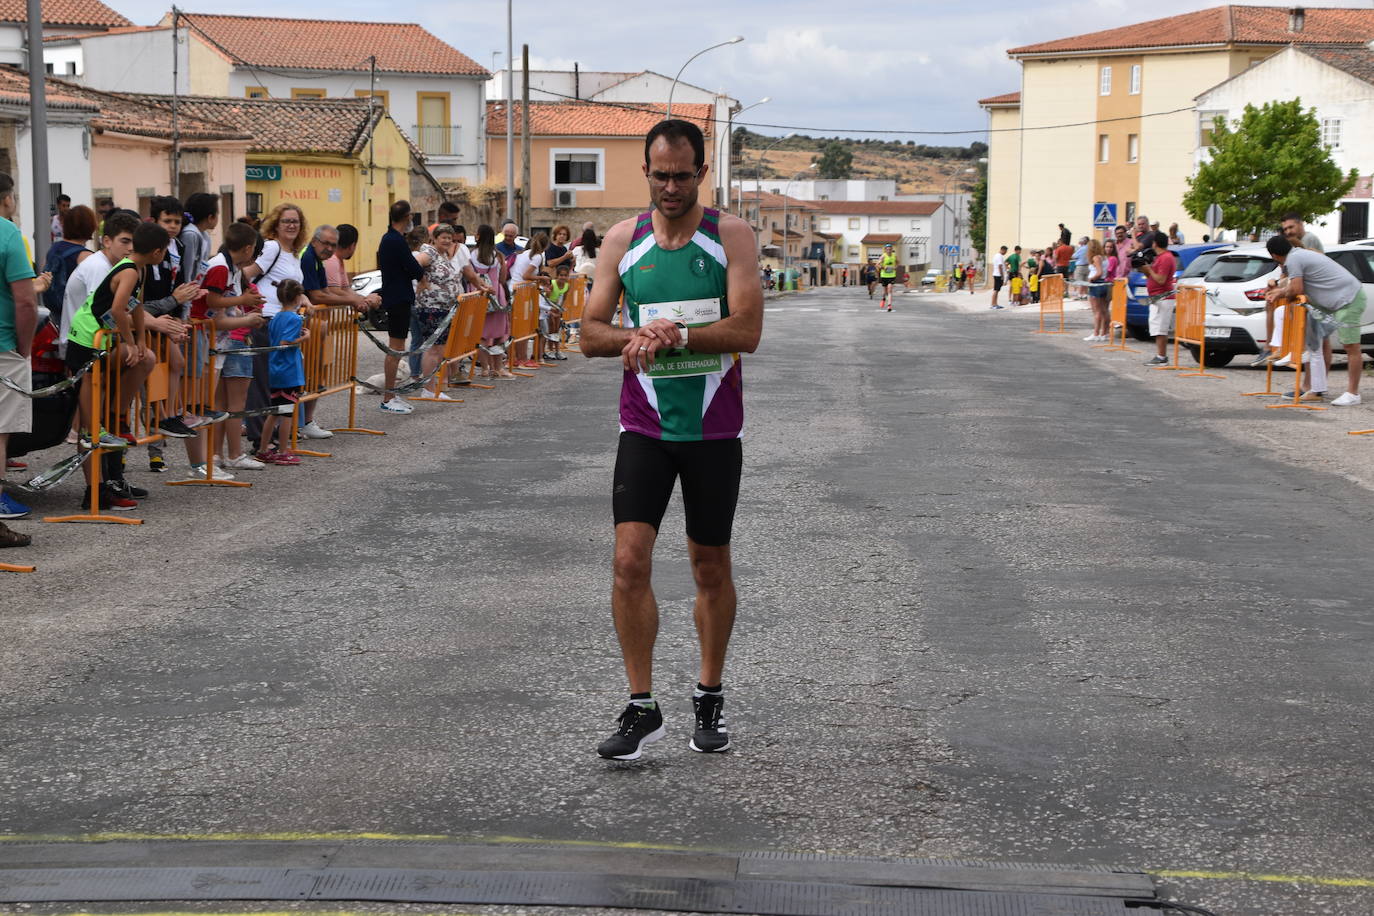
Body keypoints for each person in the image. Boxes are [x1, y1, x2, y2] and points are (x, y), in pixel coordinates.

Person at [580, 118, 763, 761]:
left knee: (709, 566)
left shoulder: (731, 236)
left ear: (701, 173)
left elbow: (746, 331)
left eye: (684, 175)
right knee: (629, 561)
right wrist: (636, 337)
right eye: (661, 175)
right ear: (646, 173)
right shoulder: (622, 241)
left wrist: (677, 334)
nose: (671, 187)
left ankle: (709, 694)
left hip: (713, 428)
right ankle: (641, 705)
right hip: (645, 427)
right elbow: (589, 333)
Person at [67, 222, 169, 508]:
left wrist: (141, 340)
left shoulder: (139, 268)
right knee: (90, 385)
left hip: (102, 339)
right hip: (86, 337)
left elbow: (136, 306)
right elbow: (116, 308)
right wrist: (130, 341)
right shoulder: (128, 270)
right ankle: (96, 430)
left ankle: (115, 417)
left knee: (139, 360)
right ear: (158, 251)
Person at [1265, 235, 1365, 406]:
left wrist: (1279, 293)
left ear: (1274, 255)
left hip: (1348, 300)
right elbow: (1294, 286)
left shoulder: (1294, 259)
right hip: (1334, 303)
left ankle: (1353, 393)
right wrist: (1281, 291)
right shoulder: (1297, 255)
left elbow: (1297, 288)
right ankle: (1311, 377)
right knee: (1314, 340)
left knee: (1351, 346)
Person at [201, 221, 267, 473]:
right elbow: (213, 300)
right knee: (230, 402)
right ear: (248, 248)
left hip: (223, 338)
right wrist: (245, 308)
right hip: (223, 339)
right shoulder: (220, 267)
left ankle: (216, 455)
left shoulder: (230, 267)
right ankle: (228, 454)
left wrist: (245, 307)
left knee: (219, 403)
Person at [0, 172, 37, 538]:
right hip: (2, 347)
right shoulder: (9, 233)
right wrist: (24, 346)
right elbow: (26, 300)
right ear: (7, 198)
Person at [256, 279, 310, 464]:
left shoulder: (276, 318)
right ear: (297, 298)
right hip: (288, 371)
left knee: (274, 412)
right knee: (287, 413)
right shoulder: (294, 318)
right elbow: (285, 343)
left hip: (274, 369)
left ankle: (263, 449)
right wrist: (304, 338)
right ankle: (282, 450)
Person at [411, 223, 465, 399]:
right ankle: (428, 389)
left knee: (439, 349)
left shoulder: (442, 255)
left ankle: (433, 387)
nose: (447, 241)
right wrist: (421, 279)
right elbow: (415, 264)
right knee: (433, 349)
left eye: (450, 238)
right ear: (434, 238)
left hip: (443, 308)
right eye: (444, 237)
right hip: (430, 307)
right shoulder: (430, 253)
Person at [1141, 231, 1178, 366]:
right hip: (1157, 297)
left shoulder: (1166, 258)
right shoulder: (1160, 257)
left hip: (1163, 297)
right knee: (1157, 326)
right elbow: (1153, 276)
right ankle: (1160, 355)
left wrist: (1149, 269)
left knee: (1160, 327)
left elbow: (1161, 280)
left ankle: (1162, 357)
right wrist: (1144, 268)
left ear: (1155, 243)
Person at [1083, 238, 1110, 341]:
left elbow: (1099, 272)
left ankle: (1096, 333)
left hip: (1096, 284)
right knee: (1104, 310)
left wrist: (1091, 279)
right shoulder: (1104, 257)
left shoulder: (1096, 258)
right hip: (1104, 283)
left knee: (1097, 311)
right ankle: (1104, 333)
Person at [877, 243, 898, 311]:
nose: (889, 250)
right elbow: (877, 264)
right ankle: (883, 299)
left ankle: (889, 305)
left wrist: (895, 267)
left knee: (890, 289)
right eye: (887, 249)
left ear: (892, 249)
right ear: (885, 250)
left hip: (892, 275)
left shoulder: (894, 256)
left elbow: (898, 262)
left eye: (890, 249)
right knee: (885, 292)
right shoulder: (883, 256)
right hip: (884, 275)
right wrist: (883, 267)